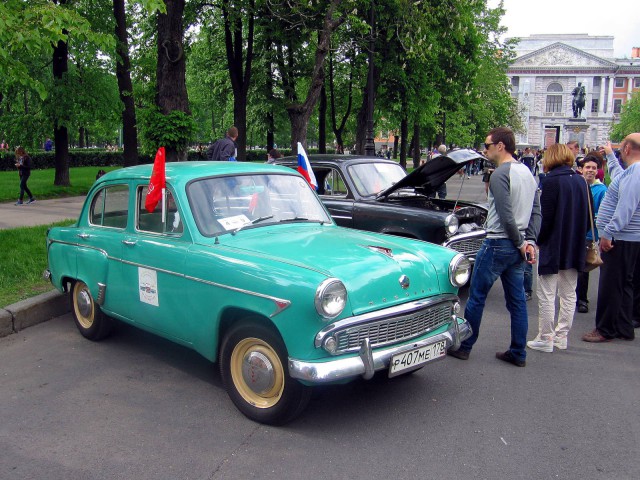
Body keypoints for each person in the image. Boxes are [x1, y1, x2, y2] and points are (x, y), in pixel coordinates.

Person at [448, 127, 540, 367]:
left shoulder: (501, 174)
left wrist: (521, 243)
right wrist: (528, 241)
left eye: (487, 145)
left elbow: (505, 213)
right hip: (518, 244)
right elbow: (535, 210)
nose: (484, 150)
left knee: (477, 296)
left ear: (501, 146)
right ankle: (518, 352)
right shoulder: (528, 172)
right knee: (517, 301)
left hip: (499, 242)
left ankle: (465, 346)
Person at [526, 144, 590, 352]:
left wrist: (537, 240)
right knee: (569, 292)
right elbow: (588, 216)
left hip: (554, 245)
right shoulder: (581, 181)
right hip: (575, 244)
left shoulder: (551, 181)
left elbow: (545, 218)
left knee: (547, 292)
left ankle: (546, 336)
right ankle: (562, 335)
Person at [582, 133, 640, 342]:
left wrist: (608, 233)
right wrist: (610, 157)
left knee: (610, 285)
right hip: (628, 237)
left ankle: (605, 329)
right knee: (625, 284)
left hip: (621, 237)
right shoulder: (632, 172)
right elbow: (618, 178)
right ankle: (624, 327)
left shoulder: (636, 173)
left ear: (626, 149)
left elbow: (626, 207)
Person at [575, 153, 607, 313]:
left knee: (584, 267)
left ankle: (582, 299)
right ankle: (571, 296)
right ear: (581, 169)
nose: (591, 170)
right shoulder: (576, 184)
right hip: (573, 233)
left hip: (589, 233)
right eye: (588, 167)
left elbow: (603, 212)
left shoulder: (601, 190)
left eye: (594, 168)